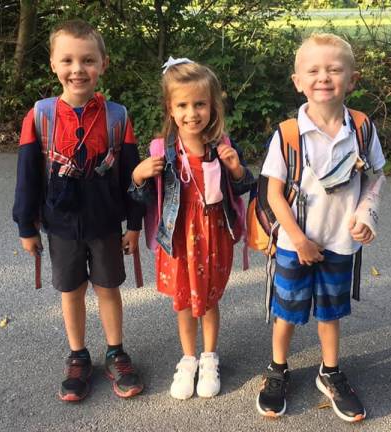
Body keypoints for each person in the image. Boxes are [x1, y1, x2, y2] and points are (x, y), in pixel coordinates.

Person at [255, 33, 386, 422]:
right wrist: (298, 239)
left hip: (341, 242)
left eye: (334, 69)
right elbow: (273, 193)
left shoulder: (361, 128)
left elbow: (377, 177)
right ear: (297, 81)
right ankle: (277, 370)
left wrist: (366, 216)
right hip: (297, 243)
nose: (323, 77)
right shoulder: (288, 134)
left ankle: (329, 373)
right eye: (312, 70)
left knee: (330, 313)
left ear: (352, 79)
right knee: (287, 311)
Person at [12, 19, 145, 402]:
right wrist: (26, 227)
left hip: (105, 223)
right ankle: (78, 355)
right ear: (53, 63)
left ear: (103, 64)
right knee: (71, 290)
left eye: (88, 60)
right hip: (61, 225)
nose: (78, 69)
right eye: (67, 60)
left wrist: (133, 224)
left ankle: (116, 352)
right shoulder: (39, 117)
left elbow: (131, 176)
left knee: (108, 288)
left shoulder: (118, 117)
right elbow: (27, 177)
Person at [129, 58, 254, 400]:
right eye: (182, 105)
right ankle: (188, 359)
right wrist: (139, 175)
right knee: (184, 303)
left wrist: (237, 170)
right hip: (179, 241)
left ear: (213, 106)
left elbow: (245, 189)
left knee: (209, 301)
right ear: (170, 108)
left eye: (199, 104)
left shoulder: (222, 144)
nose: (192, 113)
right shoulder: (162, 151)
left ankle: (210, 357)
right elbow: (141, 199)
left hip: (214, 238)